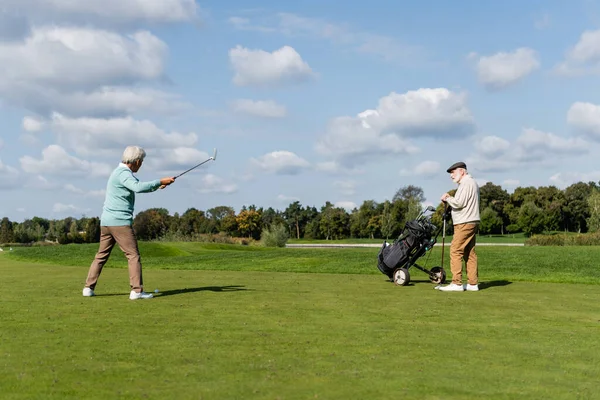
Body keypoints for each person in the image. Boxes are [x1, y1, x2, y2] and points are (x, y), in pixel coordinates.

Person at [82, 146, 175, 300]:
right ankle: (137, 291)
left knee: (101, 256)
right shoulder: (124, 174)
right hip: (119, 223)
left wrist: (158, 186)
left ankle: (88, 288)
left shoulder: (119, 172)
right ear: (137, 161)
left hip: (106, 222)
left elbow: (137, 187)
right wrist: (159, 181)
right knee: (133, 256)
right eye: (142, 161)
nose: (142, 164)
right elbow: (137, 187)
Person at [436, 161, 480, 292]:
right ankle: (473, 284)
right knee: (469, 252)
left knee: (455, 250)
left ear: (462, 171)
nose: (451, 176)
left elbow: (459, 203)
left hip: (464, 222)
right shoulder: (470, 182)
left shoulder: (466, 183)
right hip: (471, 221)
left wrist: (448, 198)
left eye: (453, 172)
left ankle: (457, 283)